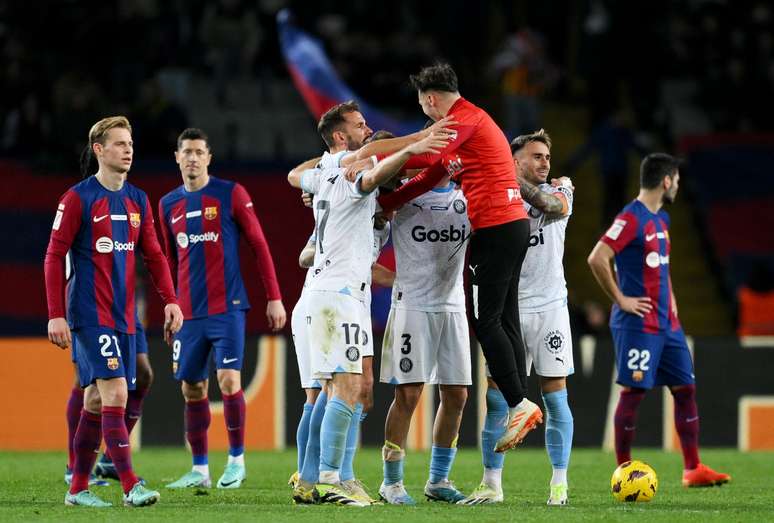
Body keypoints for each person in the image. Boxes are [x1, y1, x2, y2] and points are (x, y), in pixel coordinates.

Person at [375, 63, 542, 452]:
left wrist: (375, 161)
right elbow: (433, 174)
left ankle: (518, 403)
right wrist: (391, 200)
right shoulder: (474, 123)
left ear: (431, 100)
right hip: (513, 225)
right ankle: (520, 401)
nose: (426, 117)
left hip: (495, 228)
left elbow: (422, 160)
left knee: (485, 324)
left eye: (423, 107)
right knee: (506, 319)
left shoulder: (460, 120)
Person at [288, 129, 449, 506]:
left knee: (360, 389)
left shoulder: (377, 206)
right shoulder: (354, 188)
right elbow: (305, 255)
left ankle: (331, 476)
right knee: (325, 392)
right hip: (327, 295)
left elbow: (298, 176)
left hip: (350, 298)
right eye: (400, 173)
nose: (403, 179)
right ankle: (316, 477)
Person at [45, 116, 184, 508]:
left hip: (125, 314)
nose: (129, 150)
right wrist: (56, 314)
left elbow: (154, 254)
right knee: (115, 391)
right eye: (120, 144)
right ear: (99, 150)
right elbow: (54, 255)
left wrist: (171, 299)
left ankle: (78, 489)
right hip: (89, 311)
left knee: (111, 392)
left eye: (131, 143)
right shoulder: (77, 198)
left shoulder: (138, 200)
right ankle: (130, 484)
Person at [587, 153, 730, 488]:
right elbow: (598, 257)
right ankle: (624, 472)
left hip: (668, 324)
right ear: (666, 180)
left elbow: (659, 268)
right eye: (676, 179)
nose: (678, 184)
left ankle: (693, 469)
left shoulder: (661, 219)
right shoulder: (631, 217)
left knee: (685, 389)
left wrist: (673, 300)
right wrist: (620, 299)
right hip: (638, 324)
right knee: (634, 392)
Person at [158, 128, 286, 490]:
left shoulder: (231, 194)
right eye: (187, 152)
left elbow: (259, 245)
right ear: (177, 157)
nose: (193, 158)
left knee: (229, 380)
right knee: (192, 389)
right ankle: (199, 469)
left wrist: (274, 297)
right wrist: (170, 304)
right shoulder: (168, 204)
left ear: (209, 157)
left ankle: (236, 461)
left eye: (200, 151)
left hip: (228, 308)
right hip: (188, 314)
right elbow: (168, 260)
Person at [462, 130, 575, 506]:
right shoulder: (495, 196)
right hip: (508, 309)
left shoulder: (563, 190)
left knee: (555, 397)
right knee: (497, 401)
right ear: (514, 159)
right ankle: (491, 483)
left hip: (549, 308)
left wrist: (507, 178)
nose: (545, 163)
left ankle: (559, 482)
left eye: (546, 156)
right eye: (536, 156)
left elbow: (550, 206)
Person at [377, 168, 471, 505]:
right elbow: (368, 225)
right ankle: (391, 482)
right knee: (408, 394)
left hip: (453, 306)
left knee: (457, 395)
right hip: (413, 306)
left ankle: (438, 481)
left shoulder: (467, 196)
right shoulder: (399, 197)